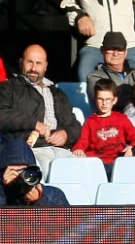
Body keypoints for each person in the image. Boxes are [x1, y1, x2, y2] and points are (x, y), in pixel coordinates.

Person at [0, 45, 81, 174]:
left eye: (38, 63)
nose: (33, 68)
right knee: (48, 170)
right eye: (30, 62)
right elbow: (2, 115)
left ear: (45, 66)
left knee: (80, 169)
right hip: (30, 149)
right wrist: (34, 124)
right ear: (21, 62)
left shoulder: (58, 93)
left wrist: (66, 134)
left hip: (61, 149)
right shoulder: (8, 88)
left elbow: (74, 124)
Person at [73, 79, 135, 170]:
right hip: (96, 162)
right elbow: (83, 141)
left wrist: (131, 147)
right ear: (95, 99)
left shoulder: (121, 119)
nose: (104, 103)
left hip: (118, 161)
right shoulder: (90, 121)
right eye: (100, 99)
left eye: (108, 99)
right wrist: (78, 149)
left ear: (114, 100)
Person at [0, 140, 68, 206]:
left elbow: (66, 217)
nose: (19, 176)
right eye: (14, 171)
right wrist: (3, 190)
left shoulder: (53, 194)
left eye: (23, 171)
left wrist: (40, 200)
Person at [85, 32, 135, 107]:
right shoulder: (94, 77)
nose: (115, 54)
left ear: (125, 52)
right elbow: (104, 104)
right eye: (110, 49)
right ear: (102, 50)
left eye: (120, 50)